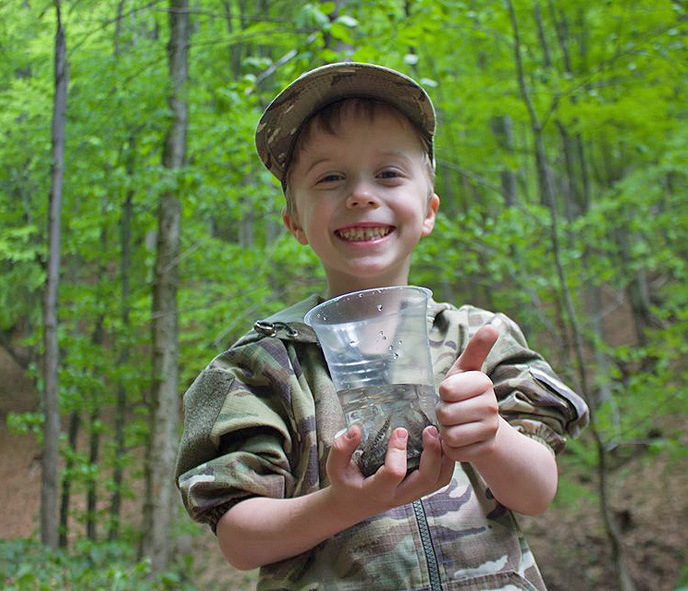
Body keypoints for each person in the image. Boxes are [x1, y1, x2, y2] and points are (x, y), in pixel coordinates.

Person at [175, 62, 589, 591]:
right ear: (295, 222)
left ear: (429, 209)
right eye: (330, 177)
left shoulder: (480, 341)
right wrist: (338, 506)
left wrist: (491, 438)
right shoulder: (260, 368)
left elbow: (537, 493)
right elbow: (238, 538)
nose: (361, 195)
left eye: (389, 174)